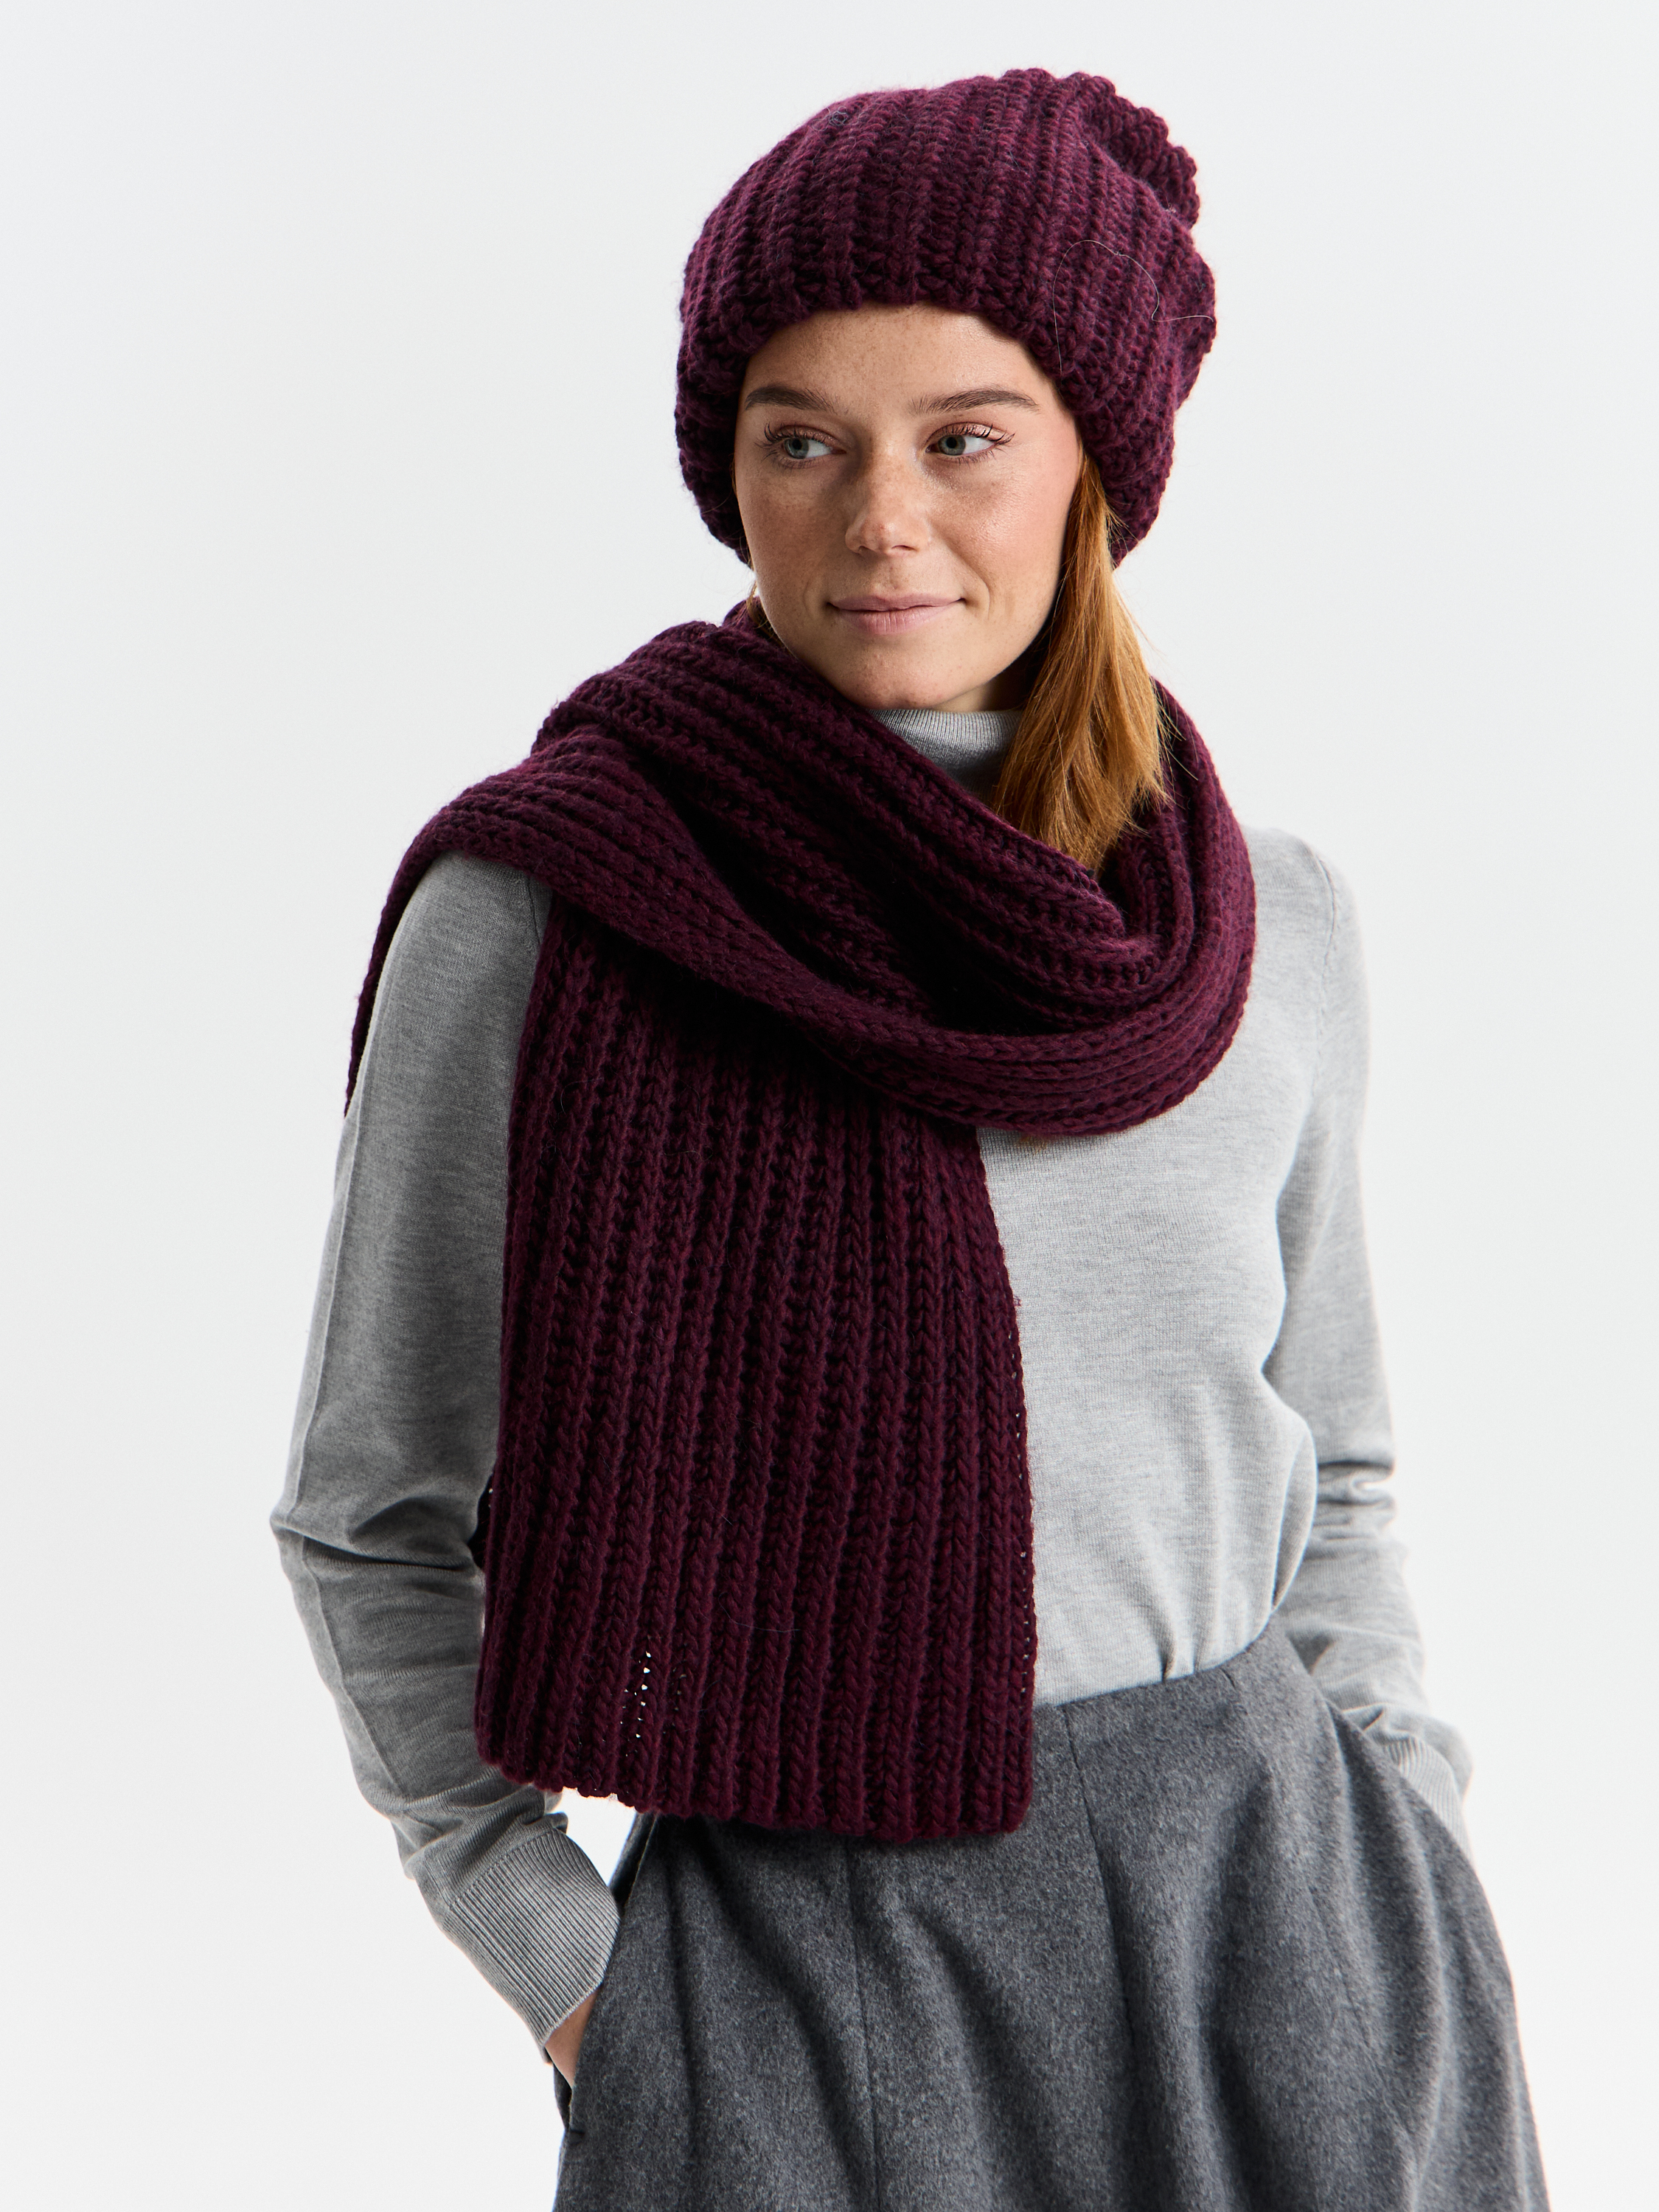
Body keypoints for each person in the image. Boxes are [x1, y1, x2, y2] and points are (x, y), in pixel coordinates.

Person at [274, 68, 1547, 2211]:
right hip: (804, 1952)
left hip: (1283, 1922)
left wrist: (1398, 1829)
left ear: (1091, 468)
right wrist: (580, 1977)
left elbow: (1332, 1462)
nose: (880, 517)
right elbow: (368, 1514)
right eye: (804, 440)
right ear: (732, 472)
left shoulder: (1274, 928)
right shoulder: (548, 919)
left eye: (964, 436)